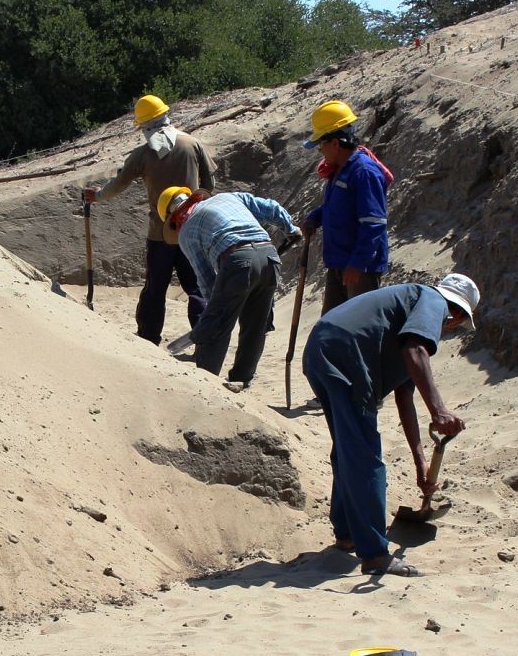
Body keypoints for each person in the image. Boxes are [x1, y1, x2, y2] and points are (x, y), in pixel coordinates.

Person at [302, 274, 480, 576]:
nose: (448, 328)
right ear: (456, 314)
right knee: (365, 457)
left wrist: (421, 463)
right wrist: (439, 410)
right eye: (455, 324)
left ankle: (346, 533)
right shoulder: (432, 301)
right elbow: (416, 352)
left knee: (348, 448)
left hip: (322, 348)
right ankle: (374, 554)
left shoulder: (405, 312)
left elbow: (405, 398)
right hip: (348, 354)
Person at [82, 95, 214, 344]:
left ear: (144, 125)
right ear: (166, 116)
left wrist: (97, 196)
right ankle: (206, 339)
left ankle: (148, 338)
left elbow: (117, 185)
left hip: (159, 234)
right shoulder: (193, 144)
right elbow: (209, 186)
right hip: (192, 231)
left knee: (155, 288)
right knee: (197, 287)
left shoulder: (142, 155)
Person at [159, 185, 299, 390]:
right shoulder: (229, 197)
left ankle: (206, 384)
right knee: (256, 326)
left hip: (236, 259)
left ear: (175, 219)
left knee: (216, 325)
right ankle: (241, 379)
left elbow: (206, 279)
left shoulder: (186, 231)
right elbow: (271, 207)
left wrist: (215, 309)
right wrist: (290, 229)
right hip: (269, 256)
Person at [299, 99, 393, 314]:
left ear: (335, 142)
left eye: (320, 144)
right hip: (340, 263)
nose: (320, 151)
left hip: (359, 269)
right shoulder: (341, 170)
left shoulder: (364, 172)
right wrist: (316, 217)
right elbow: (338, 207)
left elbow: (374, 222)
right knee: (332, 326)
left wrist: (358, 263)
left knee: (357, 329)